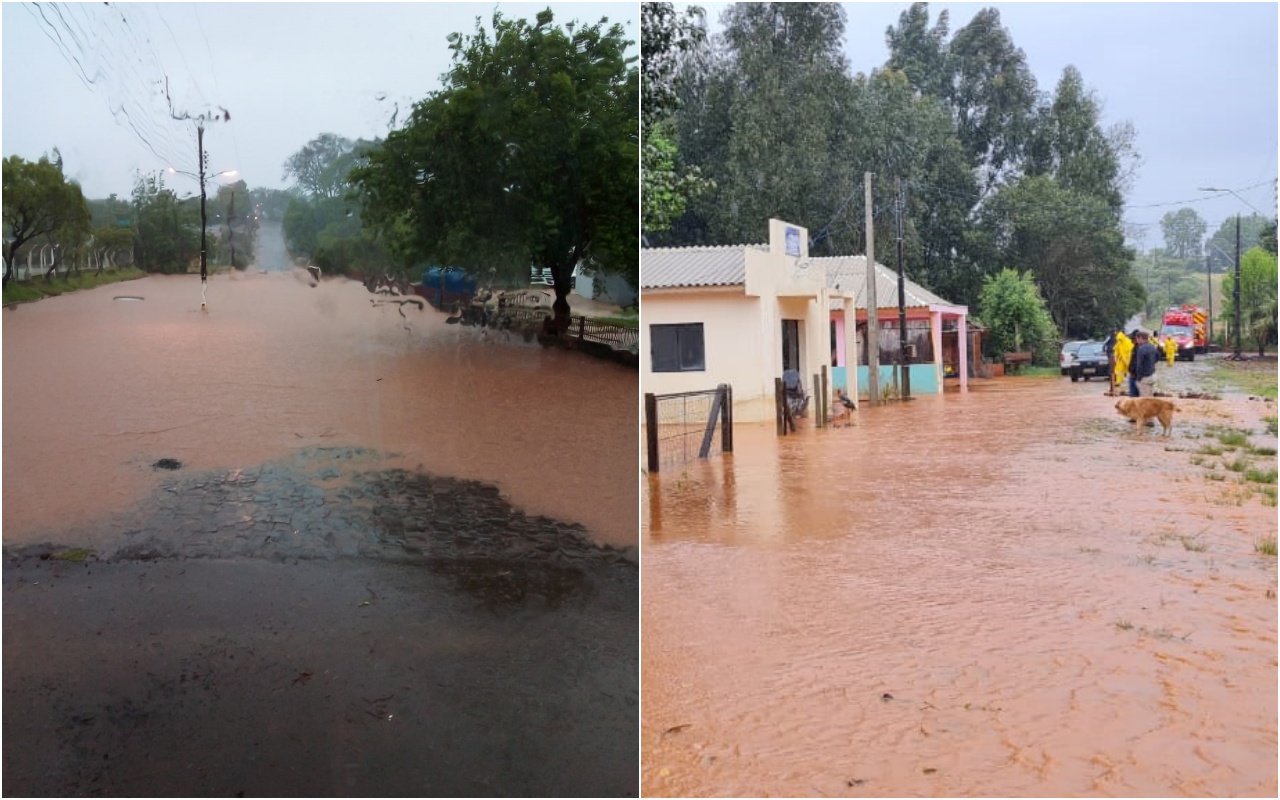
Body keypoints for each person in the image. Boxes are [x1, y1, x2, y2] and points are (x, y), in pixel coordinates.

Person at [1129, 330, 1159, 397]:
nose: (1136, 340)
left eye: (1137, 339)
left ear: (1140, 338)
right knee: (1150, 397)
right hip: (1152, 375)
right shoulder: (1152, 346)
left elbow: (1139, 365)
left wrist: (1139, 378)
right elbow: (1158, 357)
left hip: (1143, 377)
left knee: (1144, 399)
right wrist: (1150, 364)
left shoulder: (1141, 348)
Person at [1111, 330, 1132, 397]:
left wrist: (1129, 359)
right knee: (1118, 371)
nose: (1119, 340)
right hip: (1121, 359)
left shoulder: (1128, 341)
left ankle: (1129, 384)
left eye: (1120, 339)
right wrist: (1115, 357)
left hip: (1128, 359)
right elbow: (1116, 350)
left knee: (1130, 371)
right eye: (1118, 339)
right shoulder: (1119, 343)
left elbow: (1131, 350)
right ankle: (1118, 382)